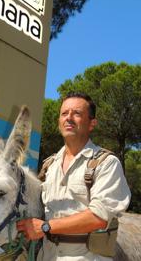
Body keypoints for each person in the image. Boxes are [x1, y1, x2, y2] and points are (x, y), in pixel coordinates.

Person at [17, 92, 131, 260]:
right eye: (64, 113)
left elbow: (99, 216)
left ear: (92, 124)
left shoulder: (106, 163)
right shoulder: (49, 166)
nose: (68, 118)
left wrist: (46, 227)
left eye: (77, 113)